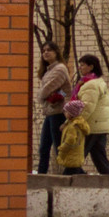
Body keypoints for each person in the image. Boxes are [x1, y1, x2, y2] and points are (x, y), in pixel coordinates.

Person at [75, 54, 109, 176]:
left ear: (91, 67)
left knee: (75, 156)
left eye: (82, 65)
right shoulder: (99, 82)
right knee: (99, 157)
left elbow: (86, 107)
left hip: (91, 126)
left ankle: (66, 181)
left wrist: (76, 122)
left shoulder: (91, 84)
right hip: (99, 126)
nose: (80, 68)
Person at [35, 46, 71, 176]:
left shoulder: (60, 69)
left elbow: (46, 90)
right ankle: (41, 176)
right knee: (44, 148)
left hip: (59, 113)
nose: (46, 52)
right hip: (50, 112)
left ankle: (75, 173)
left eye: (49, 50)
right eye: (43, 51)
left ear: (57, 52)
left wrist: (40, 96)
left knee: (59, 148)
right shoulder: (48, 70)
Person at [55, 97, 89, 175]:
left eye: (66, 112)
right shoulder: (75, 123)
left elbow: (70, 140)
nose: (64, 113)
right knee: (78, 173)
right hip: (75, 156)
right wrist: (65, 125)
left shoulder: (73, 126)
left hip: (71, 155)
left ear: (71, 114)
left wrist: (62, 149)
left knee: (66, 178)